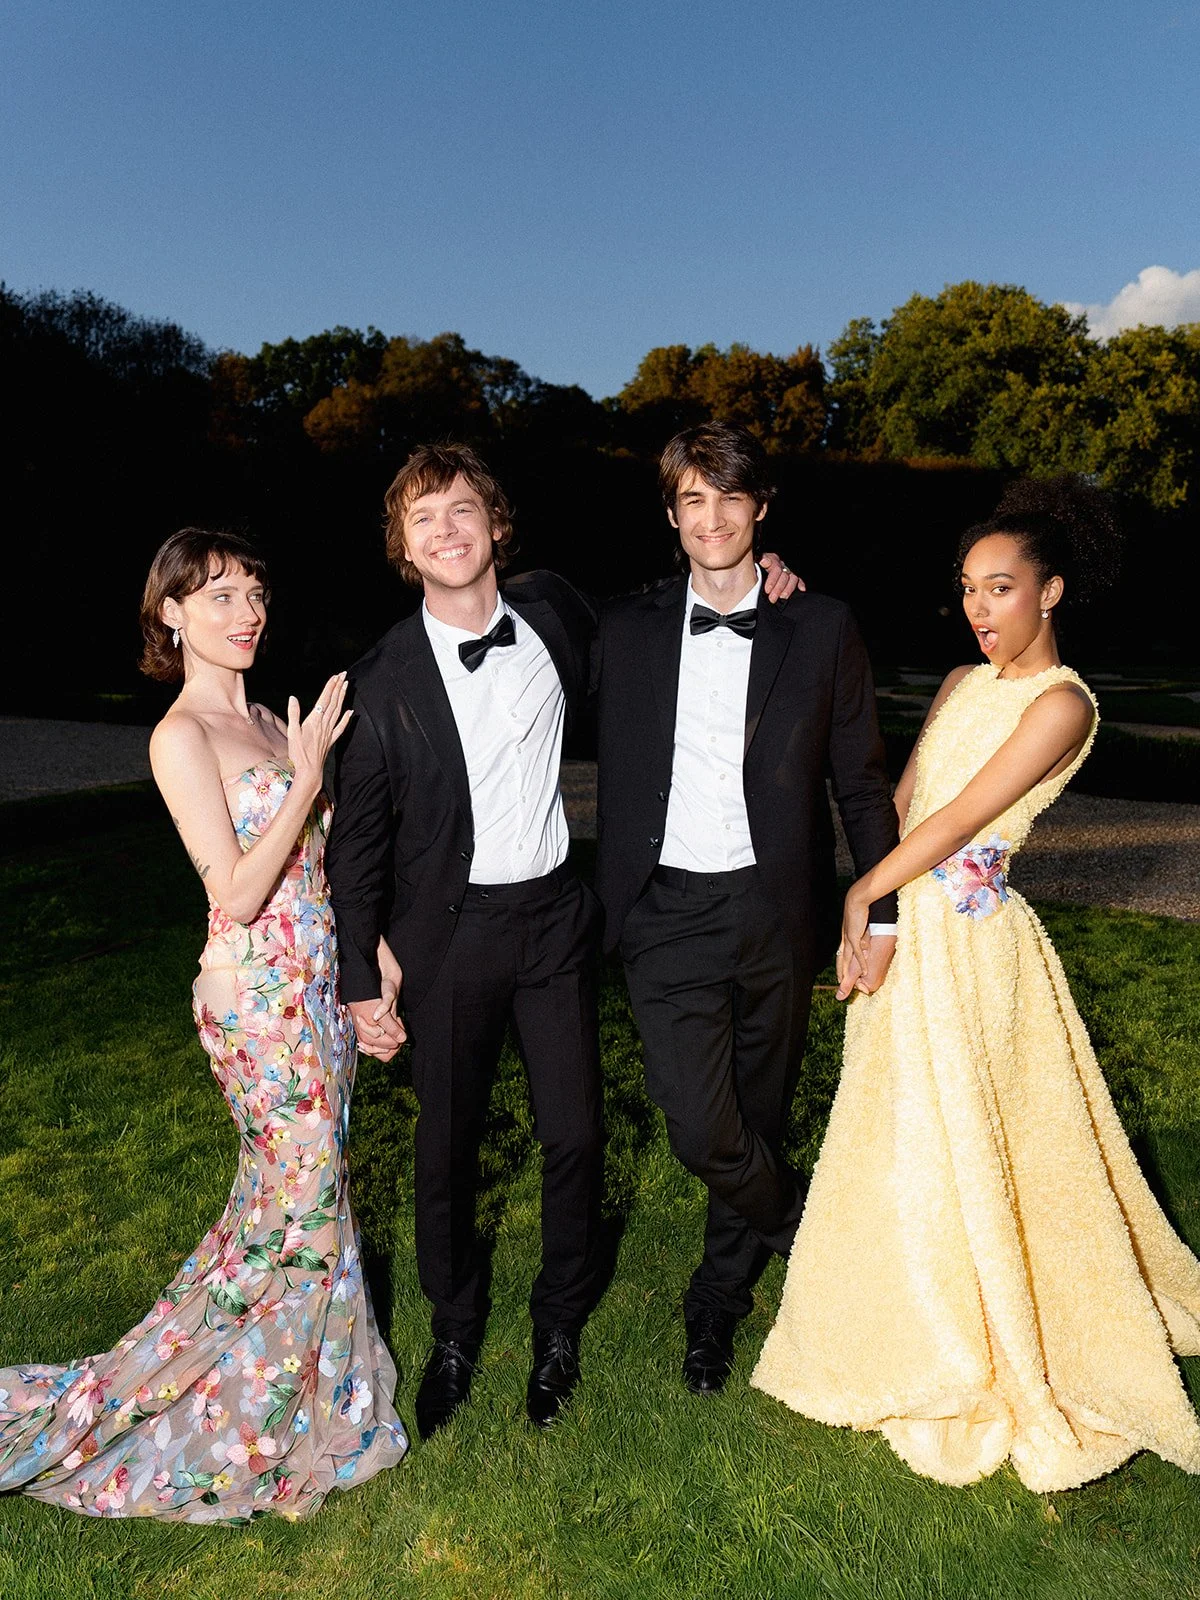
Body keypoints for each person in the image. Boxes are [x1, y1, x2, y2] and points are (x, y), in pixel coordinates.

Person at [326, 441, 799, 1436]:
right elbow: (357, 847)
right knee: (447, 1146)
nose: (447, 532)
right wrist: (363, 971)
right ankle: (456, 1332)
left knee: (576, 1134)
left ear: (497, 525)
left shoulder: (555, 616)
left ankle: (561, 1323)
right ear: (402, 547)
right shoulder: (378, 678)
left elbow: (666, 618)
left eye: (463, 512)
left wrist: (771, 577)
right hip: (443, 939)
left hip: (554, 920)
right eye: (424, 520)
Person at [752, 477, 1200, 1492]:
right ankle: (907, 1311)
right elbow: (903, 800)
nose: (980, 610)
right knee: (896, 1126)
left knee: (985, 1134)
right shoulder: (958, 682)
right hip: (909, 930)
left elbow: (956, 824)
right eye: (967, 589)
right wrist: (868, 918)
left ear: (1052, 592)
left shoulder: (1066, 703)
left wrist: (868, 888)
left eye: (1001, 589)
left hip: (973, 944)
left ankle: (996, 1330)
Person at [0, 529, 407, 1521]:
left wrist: (380, 967)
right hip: (259, 996)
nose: (246, 610)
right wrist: (309, 778)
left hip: (319, 986)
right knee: (303, 1201)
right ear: (169, 615)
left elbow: (323, 868)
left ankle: (311, 1392)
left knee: (295, 1205)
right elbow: (233, 884)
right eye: (218, 594)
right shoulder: (181, 736)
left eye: (255, 590)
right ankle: (244, 1419)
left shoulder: (275, 717)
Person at [593, 422, 900, 1396]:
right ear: (672, 513)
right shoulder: (627, 626)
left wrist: (880, 910)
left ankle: (718, 1300)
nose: (713, 516)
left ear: (761, 508)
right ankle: (809, 1227)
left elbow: (860, 779)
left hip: (778, 909)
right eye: (693, 498)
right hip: (664, 911)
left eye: (731, 498)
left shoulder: (821, 625)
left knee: (757, 1116)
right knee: (699, 1120)